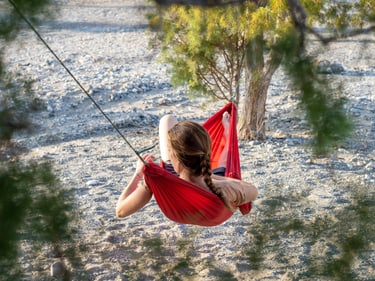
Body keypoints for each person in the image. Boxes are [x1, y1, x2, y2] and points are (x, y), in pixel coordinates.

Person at [116, 112, 258, 218]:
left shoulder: (158, 180)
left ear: (173, 157)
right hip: (207, 181)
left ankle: (220, 136)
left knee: (166, 119)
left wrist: (138, 174)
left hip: (174, 182)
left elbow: (120, 211)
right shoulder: (224, 189)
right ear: (207, 153)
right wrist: (211, 177)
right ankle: (225, 135)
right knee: (168, 121)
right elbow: (252, 190)